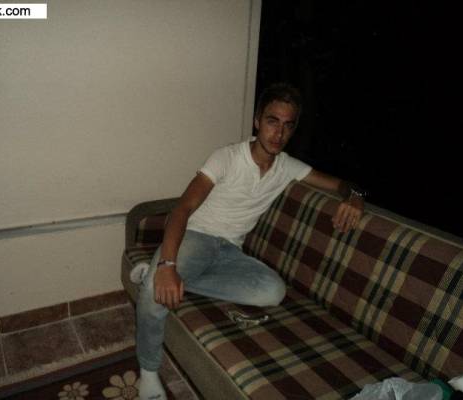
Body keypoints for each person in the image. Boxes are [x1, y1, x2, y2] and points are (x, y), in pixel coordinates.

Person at [134, 83, 365, 400]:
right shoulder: (227, 157)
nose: (278, 133)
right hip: (197, 237)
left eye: (288, 125)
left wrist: (355, 196)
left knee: (273, 291)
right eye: (272, 121)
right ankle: (148, 373)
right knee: (154, 291)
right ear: (257, 121)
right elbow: (182, 209)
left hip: (231, 251)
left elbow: (340, 185)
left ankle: (156, 274)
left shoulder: (288, 167)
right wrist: (167, 264)